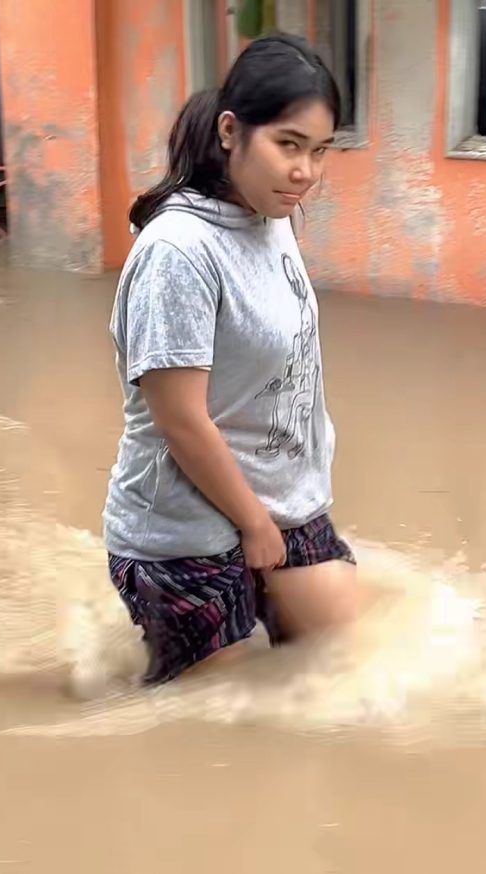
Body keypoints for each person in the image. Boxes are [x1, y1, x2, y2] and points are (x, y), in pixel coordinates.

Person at [104, 33, 372, 685]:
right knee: (224, 725)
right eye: (288, 144)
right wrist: (253, 525)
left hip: (283, 503)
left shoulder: (270, 215)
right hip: (185, 531)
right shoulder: (179, 253)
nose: (305, 171)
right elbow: (180, 420)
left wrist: (277, 511)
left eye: (319, 151)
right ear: (232, 132)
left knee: (352, 659)